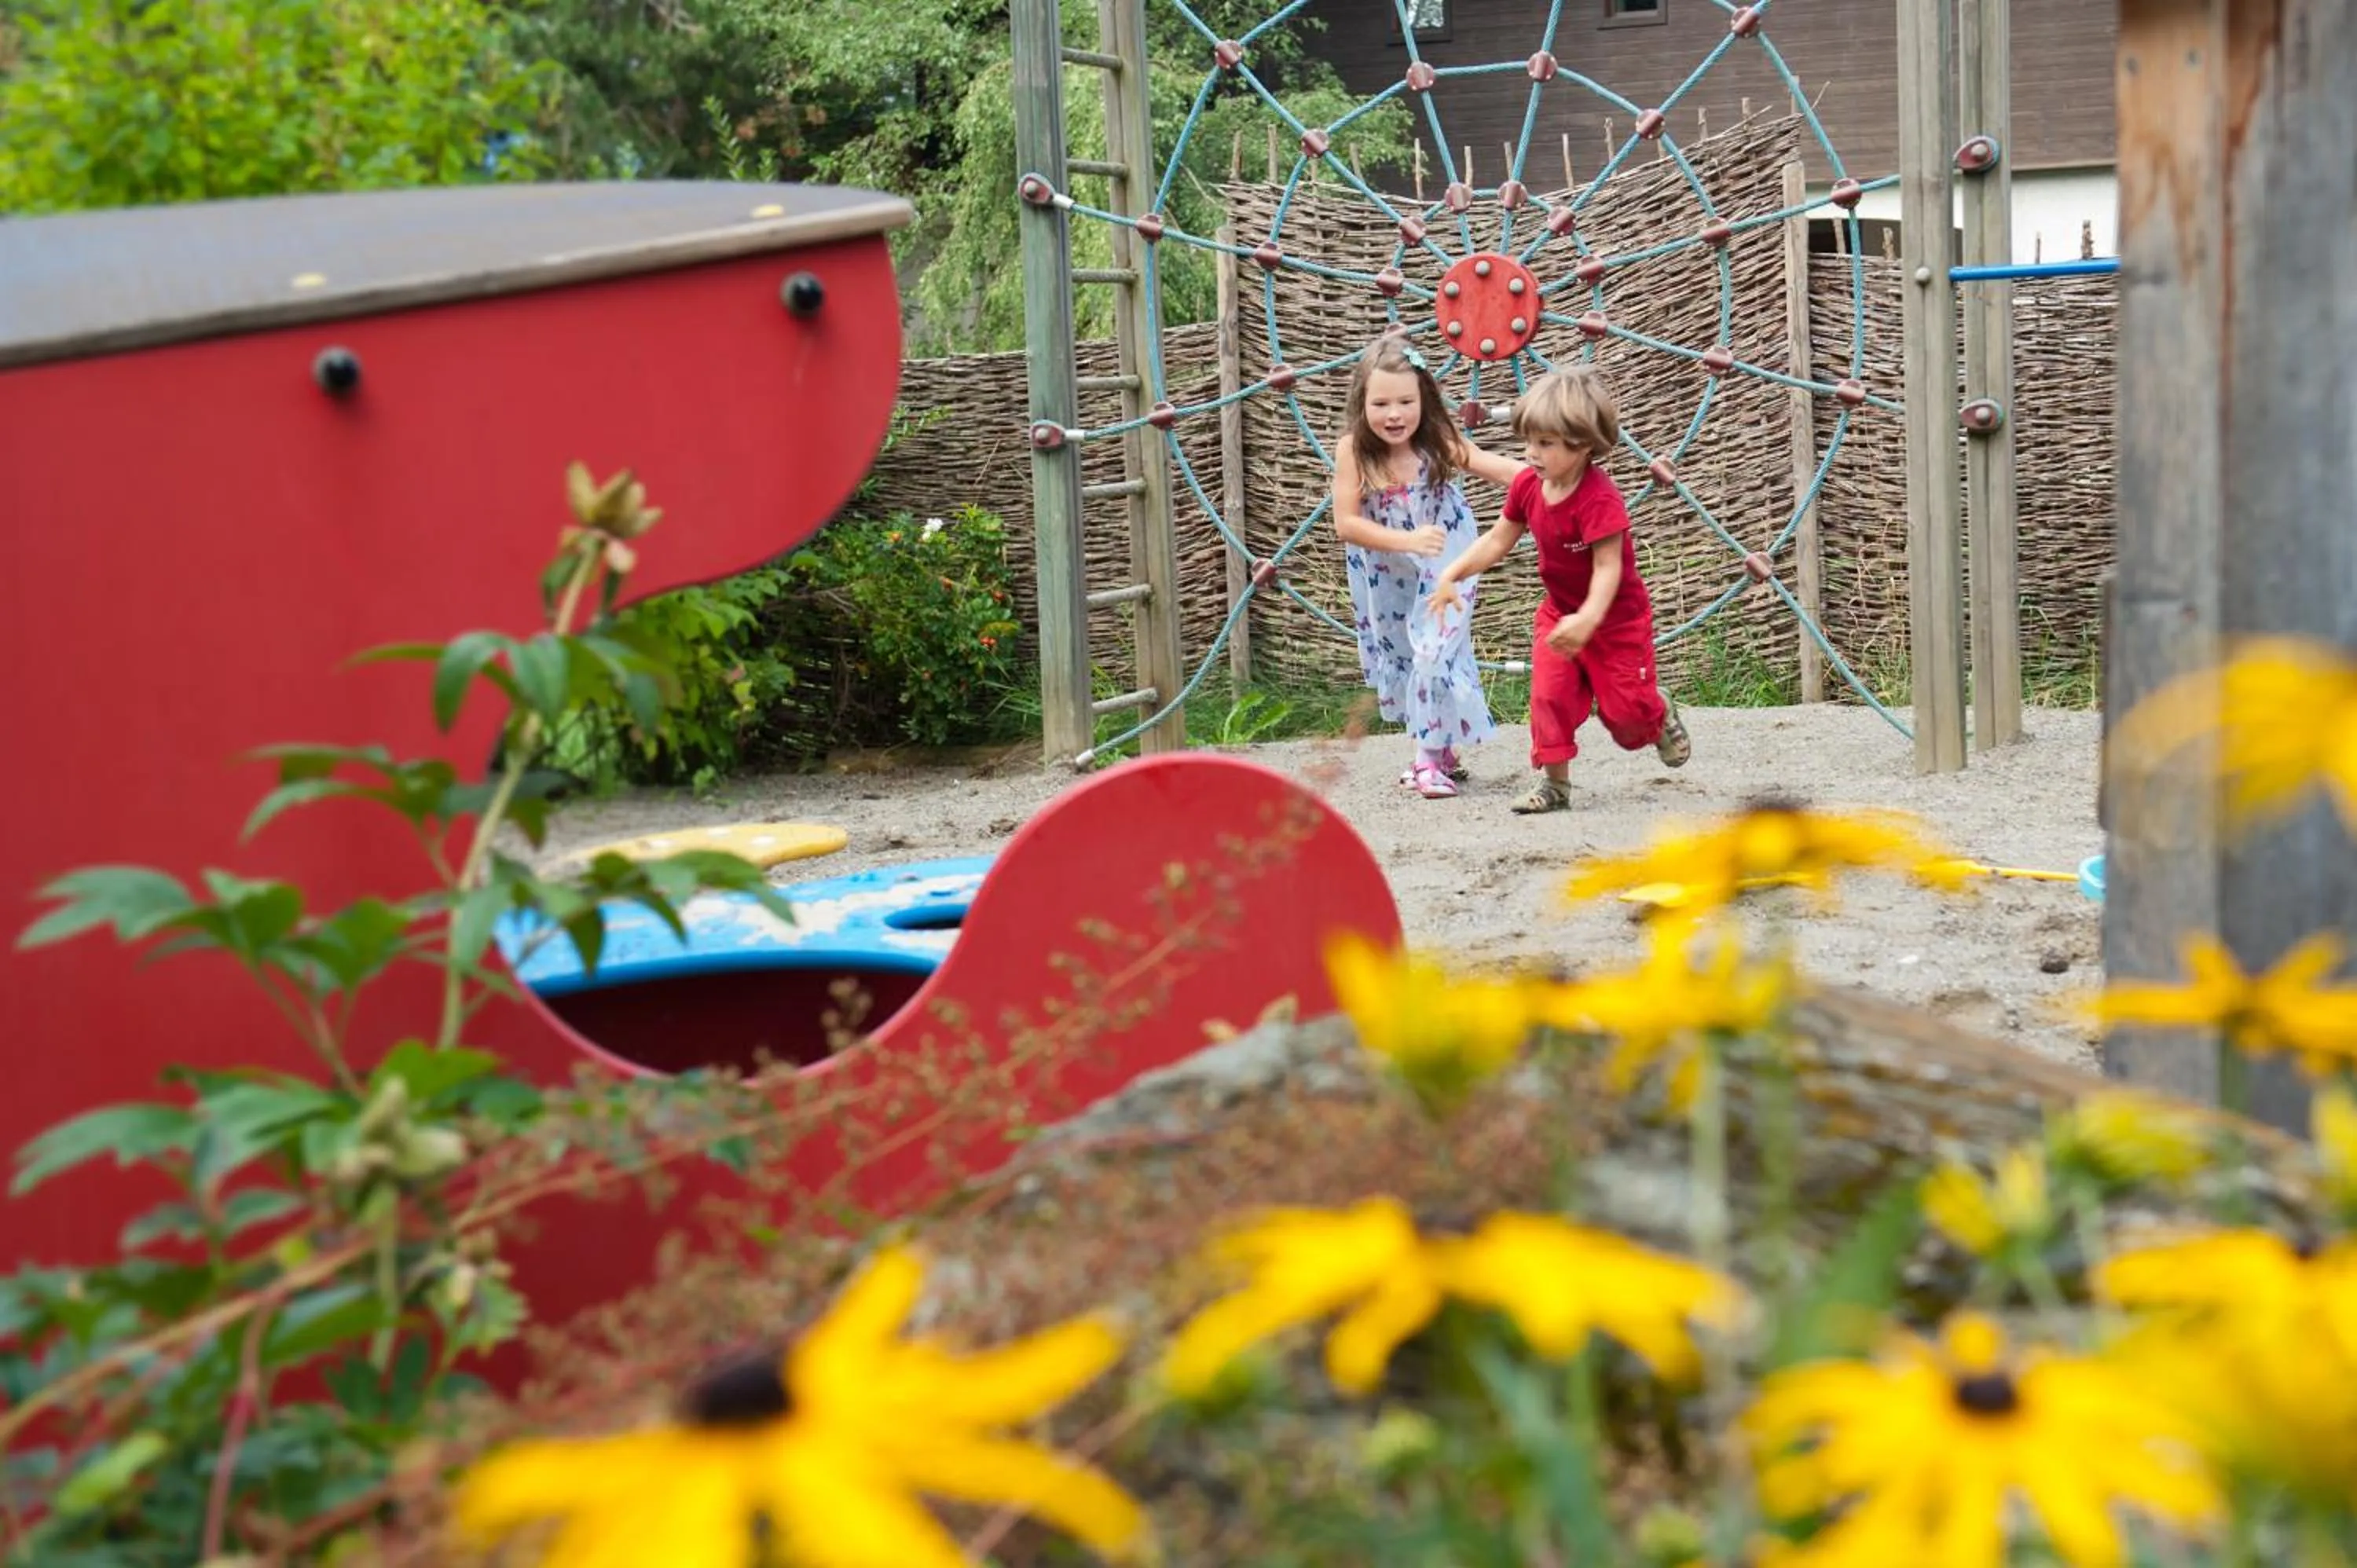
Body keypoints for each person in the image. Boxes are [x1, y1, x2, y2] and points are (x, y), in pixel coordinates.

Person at [1428, 363, 1691, 813]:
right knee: (1548, 697)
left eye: (1545, 443)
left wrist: (1589, 619)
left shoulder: (1599, 499)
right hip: (1559, 615)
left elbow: (1608, 569)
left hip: (1615, 624)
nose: (1531, 453)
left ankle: (1656, 713)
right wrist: (1452, 572)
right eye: (1529, 441)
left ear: (1584, 444)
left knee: (1627, 722)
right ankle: (1555, 786)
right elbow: (1498, 539)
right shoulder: (1529, 486)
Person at [1329, 333, 1525, 800]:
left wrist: (1543, 475)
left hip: (1446, 561)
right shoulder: (1353, 451)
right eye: (1381, 404)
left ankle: (1426, 761)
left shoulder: (1435, 440)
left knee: (1434, 648)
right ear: (1362, 404)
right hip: (1387, 571)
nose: (1394, 414)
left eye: (1405, 402)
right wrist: (1406, 540)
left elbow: (1487, 463)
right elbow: (1345, 524)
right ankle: (1441, 746)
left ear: (1424, 399)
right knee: (1403, 650)